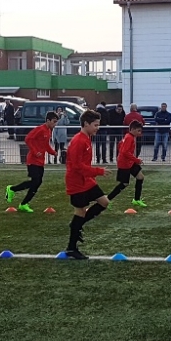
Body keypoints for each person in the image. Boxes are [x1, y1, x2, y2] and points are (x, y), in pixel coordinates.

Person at [65, 109, 110, 259]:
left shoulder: (86, 138)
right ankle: (71, 248)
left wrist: (94, 174)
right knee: (80, 211)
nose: (98, 128)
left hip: (86, 180)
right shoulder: (78, 141)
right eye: (95, 125)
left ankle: (76, 225)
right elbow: (77, 166)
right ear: (86, 124)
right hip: (77, 182)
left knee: (104, 202)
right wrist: (98, 171)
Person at [6, 112, 59, 212]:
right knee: (36, 181)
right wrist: (35, 151)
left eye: (56, 122)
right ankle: (14, 192)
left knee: (37, 183)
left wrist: (53, 152)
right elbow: (28, 139)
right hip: (32, 161)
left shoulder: (48, 131)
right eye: (54, 121)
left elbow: (46, 145)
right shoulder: (40, 129)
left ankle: (22, 201)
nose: (55, 124)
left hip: (40, 161)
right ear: (48, 121)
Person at [107, 120, 147, 207]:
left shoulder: (128, 136)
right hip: (124, 164)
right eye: (138, 131)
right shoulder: (129, 138)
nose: (140, 133)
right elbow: (125, 152)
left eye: (140, 131)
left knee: (140, 177)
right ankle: (107, 200)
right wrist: (136, 160)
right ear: (132, 129)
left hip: (130, 162)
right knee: (124, 184)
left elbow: (120, 145)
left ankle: (136, 199)